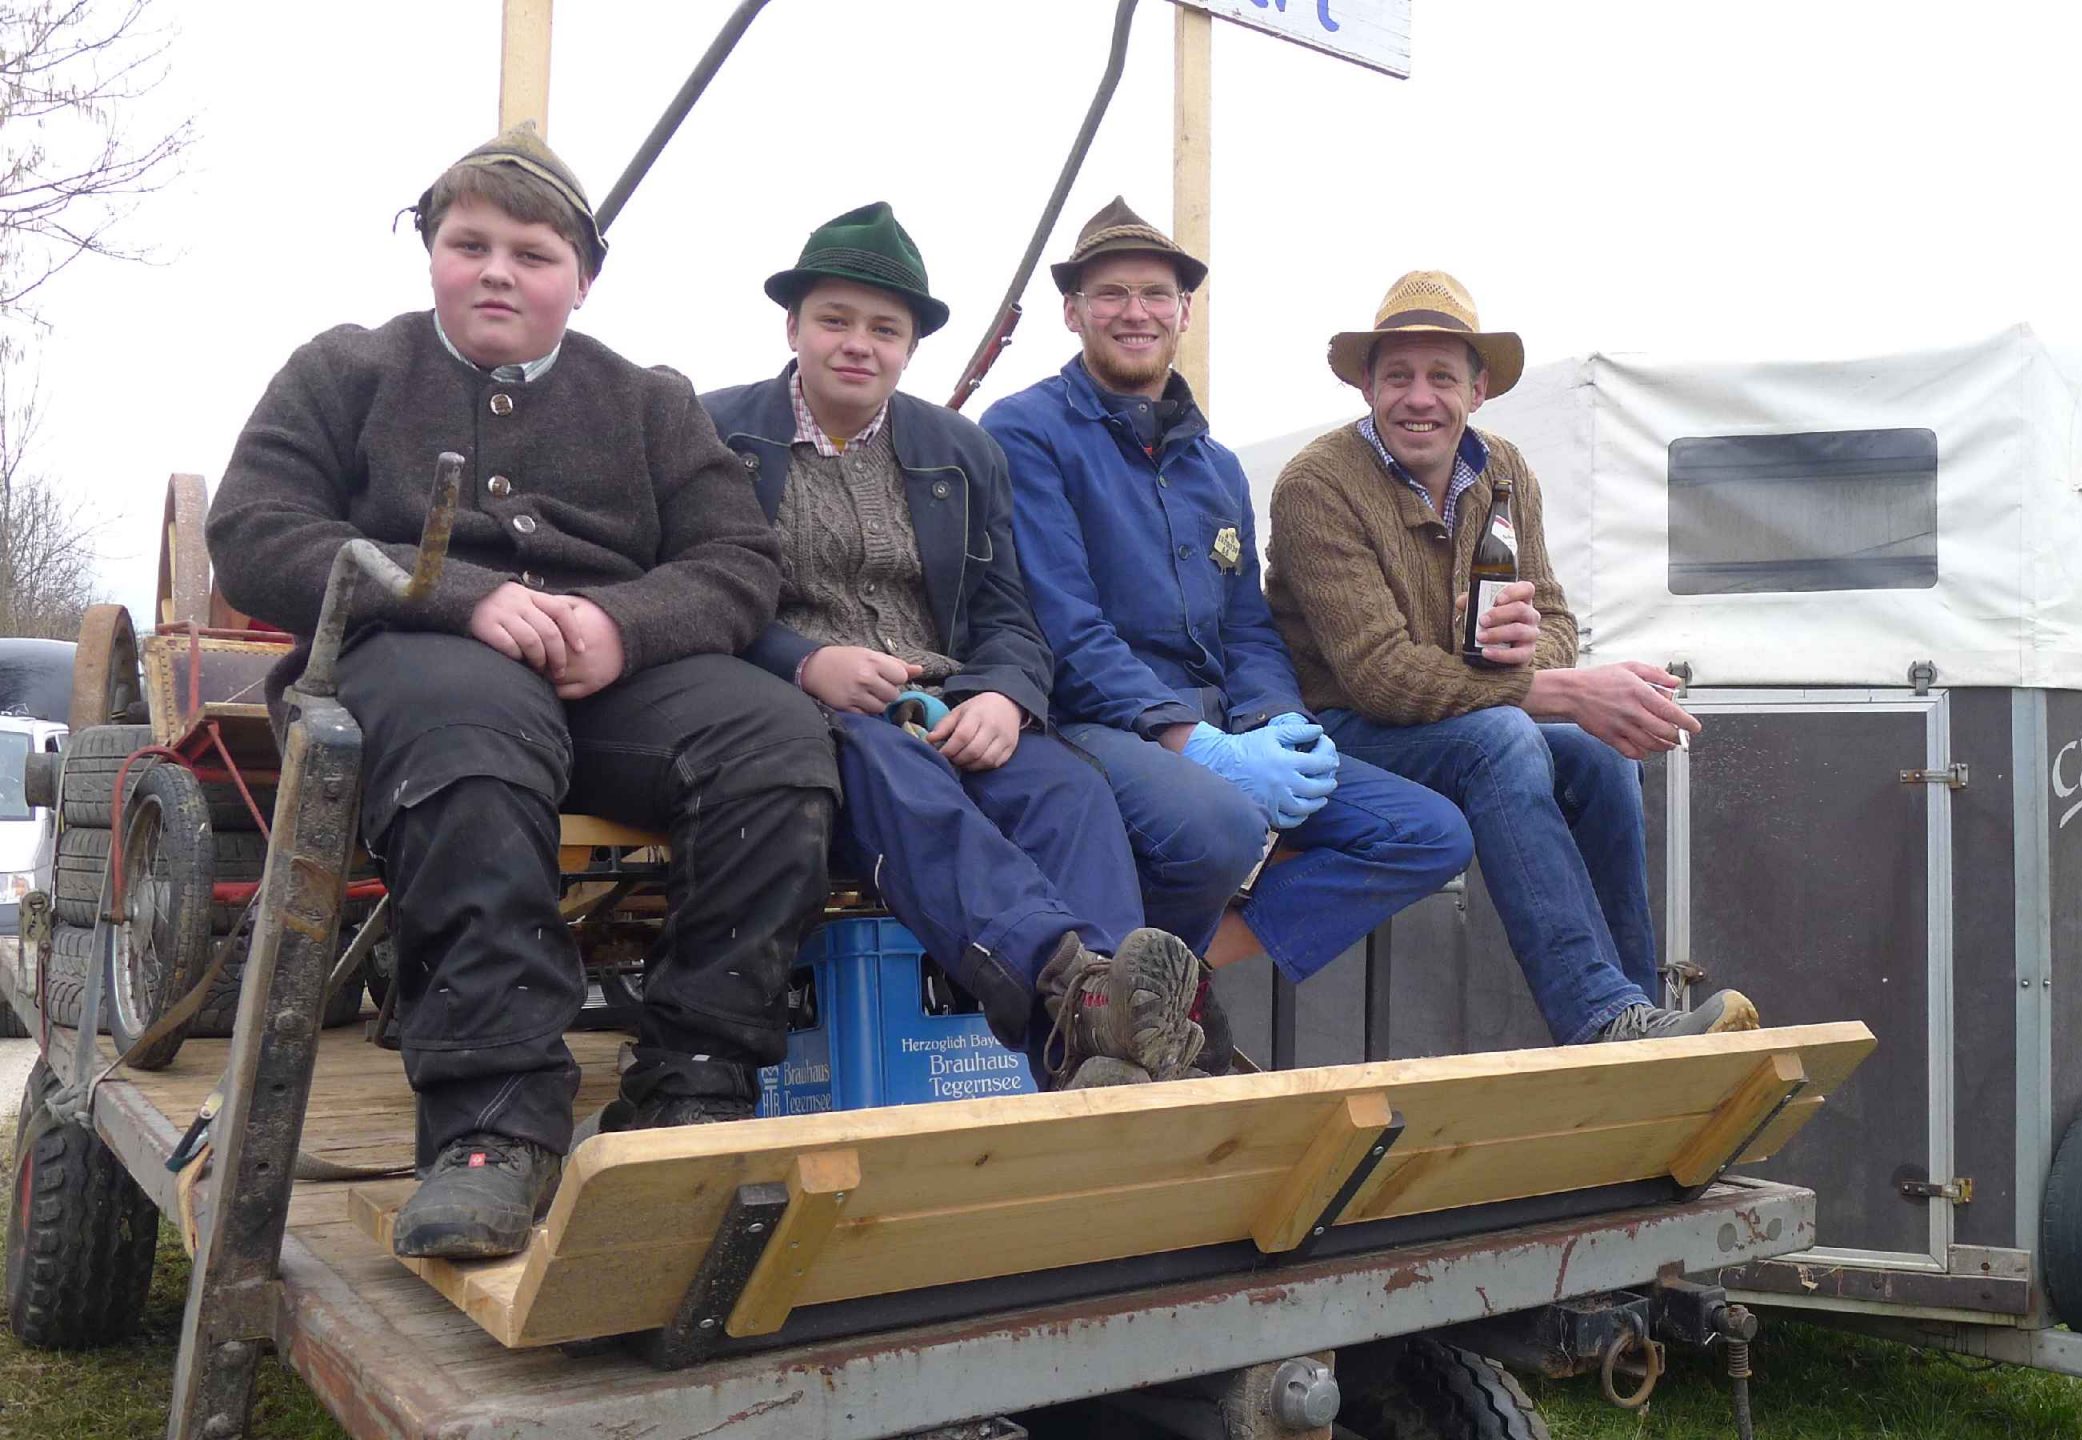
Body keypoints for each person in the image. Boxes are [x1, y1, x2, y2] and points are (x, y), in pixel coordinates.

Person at [204, 125, 840, 1260]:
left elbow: (738, 561)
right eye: (471, 245)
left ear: (582, 278)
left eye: (533, 254)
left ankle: (694, 1085)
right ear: (433, 254)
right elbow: (255, 533)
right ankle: (493, 1129)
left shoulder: (647, 400)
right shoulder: (346, 371)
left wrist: (624, 626)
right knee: (472, 736)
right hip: (411, 661)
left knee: (777, 741)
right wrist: (456, 596)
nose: (497, 272)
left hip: (610, 683)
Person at [700, 204, 1205, 1091]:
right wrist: (805, 663)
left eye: (884, 329)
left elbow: (1008, 613)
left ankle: (1111, 1053)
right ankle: (1078, 996)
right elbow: (698, 594)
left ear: (910, 347)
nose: (859, 345)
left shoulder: (961, 451)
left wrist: (1005, 695)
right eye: (835, 321)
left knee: (1068, 790)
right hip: (800, 715)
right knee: (892, 767)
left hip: (946, 703)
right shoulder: (717, 434)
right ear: (793, 327)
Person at [982, 201, 1472, 1024]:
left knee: (1430, 834)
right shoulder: (1024, 432)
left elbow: (1246, 626)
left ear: (1184, 311)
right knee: (1217, 827)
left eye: (1155, 294)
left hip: (1222, 726)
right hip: (1091, 722)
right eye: (1110, 293)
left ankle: (1171, 975)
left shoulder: (1216, 467)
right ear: (1072, 311)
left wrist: (1280, 723)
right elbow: (1062, 626)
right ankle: (1131, 1004)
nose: (1135, 312)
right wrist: (1192, 741)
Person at [1263, 271, 1760, 1045]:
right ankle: (1598, 1019)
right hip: (1336, 734)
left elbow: (1554, 618)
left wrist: (1527, 649)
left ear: (1479, 389)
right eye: (1397, 377)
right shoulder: (1316, 486)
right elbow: (1379, 677)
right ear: (1366, 386)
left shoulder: (1504, 470)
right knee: (1506, 738)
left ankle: (1639, 1015)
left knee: (1597, 754)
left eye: (1441, 377)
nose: (1418, 398)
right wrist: (1559, 690)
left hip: (1457, 720)